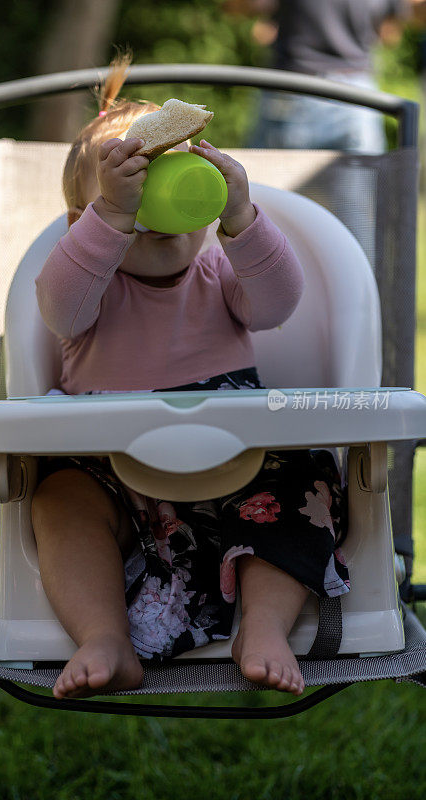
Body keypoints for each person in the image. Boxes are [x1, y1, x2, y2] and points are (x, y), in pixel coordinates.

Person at [32, 59, 350, 701]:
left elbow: (280, 302)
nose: (152, 199)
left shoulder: (219, 279)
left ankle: (262, 629)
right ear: (80, 226)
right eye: (126, 188)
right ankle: (104, 636)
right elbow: (59, 305)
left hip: (241, 476)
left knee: (306, 477)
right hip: (118, 479)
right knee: (58, 496)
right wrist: (114, 220)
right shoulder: (88, 294)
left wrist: (242, 220)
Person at [224, 0, 414, 153]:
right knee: (358, 195)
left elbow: (244, 5)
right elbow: (389, 34)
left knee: (275, 192)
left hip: (294, 87)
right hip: (358, 96)